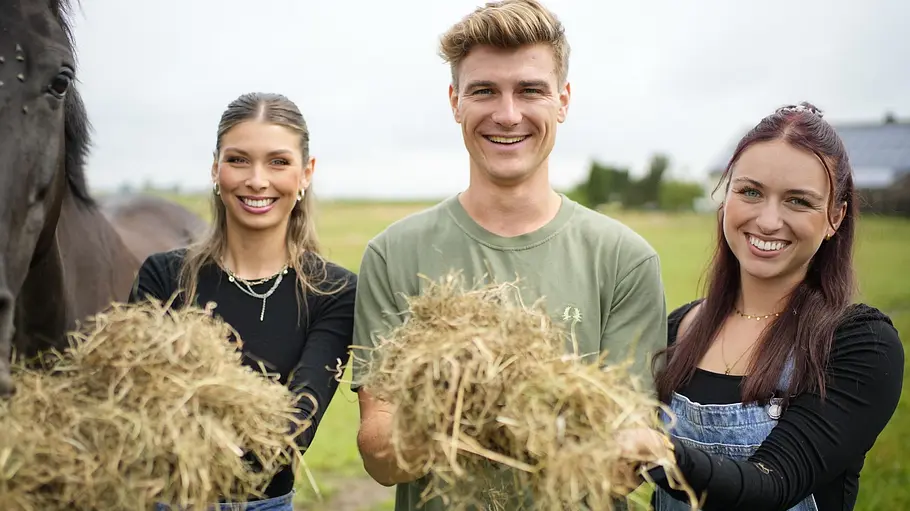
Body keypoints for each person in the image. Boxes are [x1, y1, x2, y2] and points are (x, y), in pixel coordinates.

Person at [349, 1, 667, 509]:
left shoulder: (624, 260)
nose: (507, 114)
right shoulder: (394, 254)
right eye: (484, 91)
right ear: (455, 102)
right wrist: (463, 397)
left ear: (562, 101)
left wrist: (526, 403)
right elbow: (382, 459)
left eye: (530, 90)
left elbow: (621, 471)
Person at [626, 102, 904, 511]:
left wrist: (655, 454)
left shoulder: (860, 344)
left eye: (798, 201)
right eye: (750, 192)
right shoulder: (679, 329)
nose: (768, 220)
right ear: (727, 196)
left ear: (835, 217)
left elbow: (770, 485)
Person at [129, 92, 357, 511]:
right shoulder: (163, 277)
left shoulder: (334, 292)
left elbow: (295, 431)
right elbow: (135, 409)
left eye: (278, 162)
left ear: (306, 173)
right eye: (238, 160)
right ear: (216, 169)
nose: (256, 179)